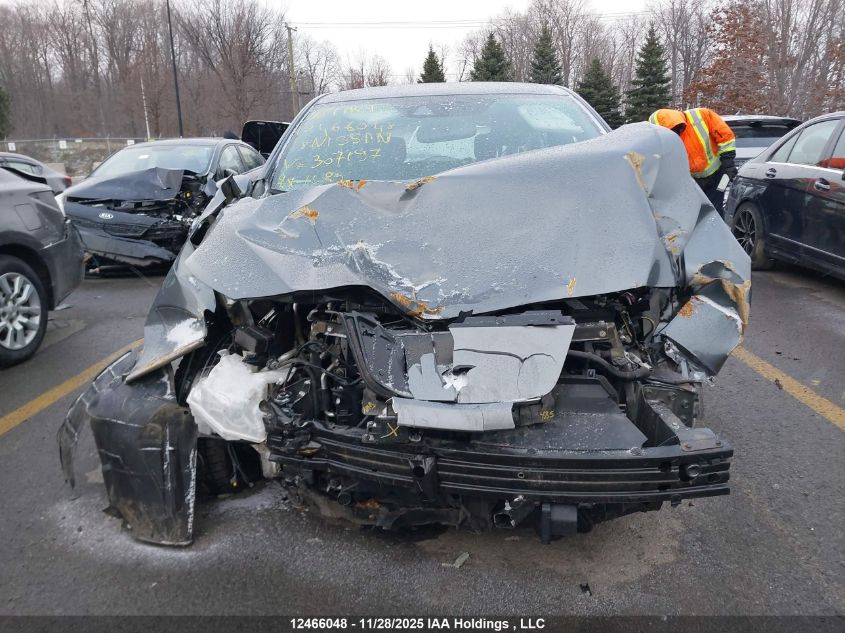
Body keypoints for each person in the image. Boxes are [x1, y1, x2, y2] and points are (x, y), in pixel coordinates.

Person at [648, 108, 737, 215]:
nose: (674, 132)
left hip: (718, 174)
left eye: (674, 129)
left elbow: (725, 137)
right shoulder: (666, 139)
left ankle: (716, 231)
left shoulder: (703, 115)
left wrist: (728, 163)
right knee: (694, 214)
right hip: (692, 181)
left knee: (714, 212)